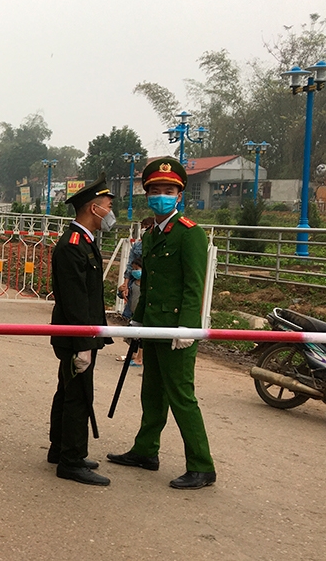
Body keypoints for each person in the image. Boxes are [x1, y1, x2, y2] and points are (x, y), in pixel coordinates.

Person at [107, 156, 216, 490]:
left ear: (179, 195)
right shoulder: (152, 234)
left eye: (169, 190)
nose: (161, 195)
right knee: (151, 392)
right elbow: (150, 282)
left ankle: (202, 465)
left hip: (176, 331)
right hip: (153, 325)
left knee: (181, 395)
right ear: (147, 194)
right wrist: (138, 320)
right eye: (155, 190)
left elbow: (193, 286)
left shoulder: (190, 235)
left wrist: (187, 329)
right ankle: (145, 451)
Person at [48, 172, 115, 487]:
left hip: (82, 333)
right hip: (77, 335)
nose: (111, 212)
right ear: (93, 208)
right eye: (107, 206)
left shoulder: (83, 241)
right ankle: (71, 461)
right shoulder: (73, 245)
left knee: (68, 390)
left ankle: (60, 448)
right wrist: (83, 344)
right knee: (77, 394)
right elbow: (75, 301)